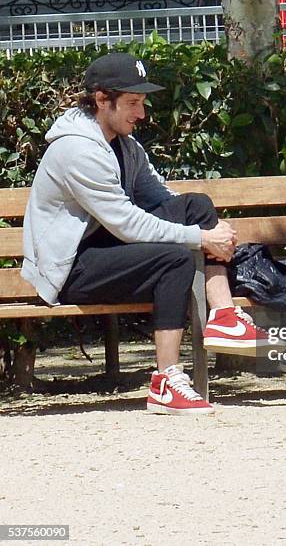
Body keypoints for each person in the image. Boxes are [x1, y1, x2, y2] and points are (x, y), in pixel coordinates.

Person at [22, 52, 268, 416]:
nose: (142, 114)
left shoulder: (123, 144)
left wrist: (205, 227)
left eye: (143, 102)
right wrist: (201, 239)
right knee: (174, 257)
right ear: (102, 99)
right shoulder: (77, 150)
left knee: (196, 205)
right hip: (72, 268)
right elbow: (126, 222)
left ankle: (224, 316)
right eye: (133, 103)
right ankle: (166, 381)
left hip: (105, 248)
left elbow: (159, 197)